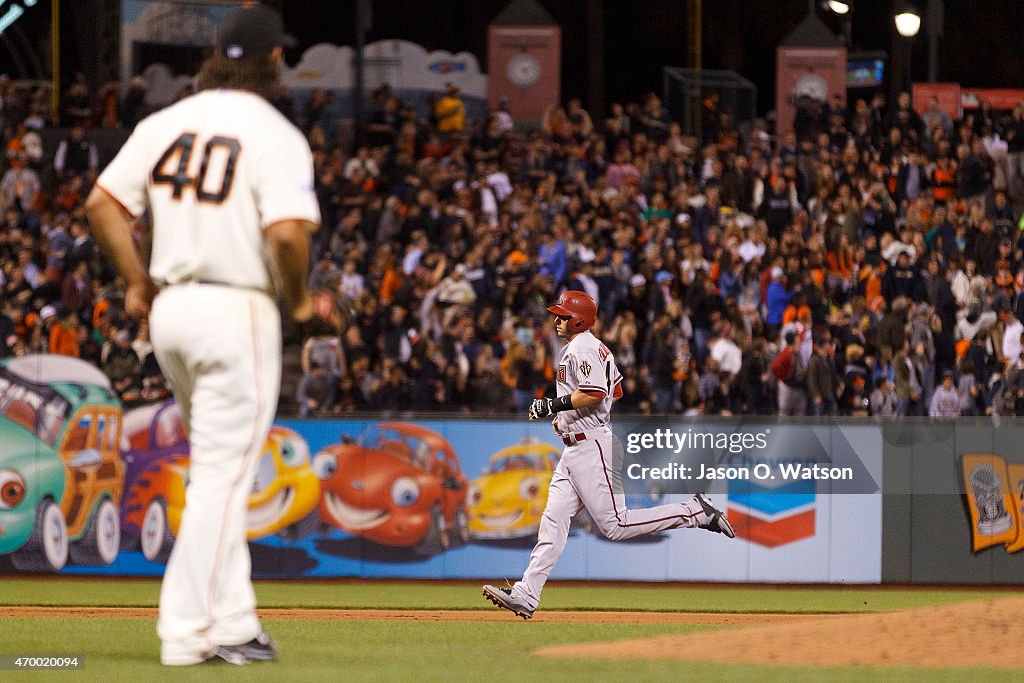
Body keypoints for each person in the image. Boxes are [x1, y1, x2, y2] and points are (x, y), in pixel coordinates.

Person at [85, 5, 318, 666]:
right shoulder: (275, 132)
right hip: (235, 307)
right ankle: (188, 632)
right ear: (273, 61)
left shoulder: (165, 121)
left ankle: (235, 620)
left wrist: (136, 281)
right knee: (224, 473)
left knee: (218, 466)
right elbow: (285, 232)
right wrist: (299, 301)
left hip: (172, 312)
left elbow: (102, 203)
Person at [481, 290, 734, 619]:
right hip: (575, 448)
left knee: (615, 524)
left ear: (579, 319)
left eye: (563, 315)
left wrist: (554, 406)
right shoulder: (592, 347)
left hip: (592, 446)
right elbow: (615, 389)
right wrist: (570, 418)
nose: (557, 320)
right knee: (553, 521)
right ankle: (527, 593)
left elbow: (596, 392)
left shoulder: (582, 346)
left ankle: (695, 512)